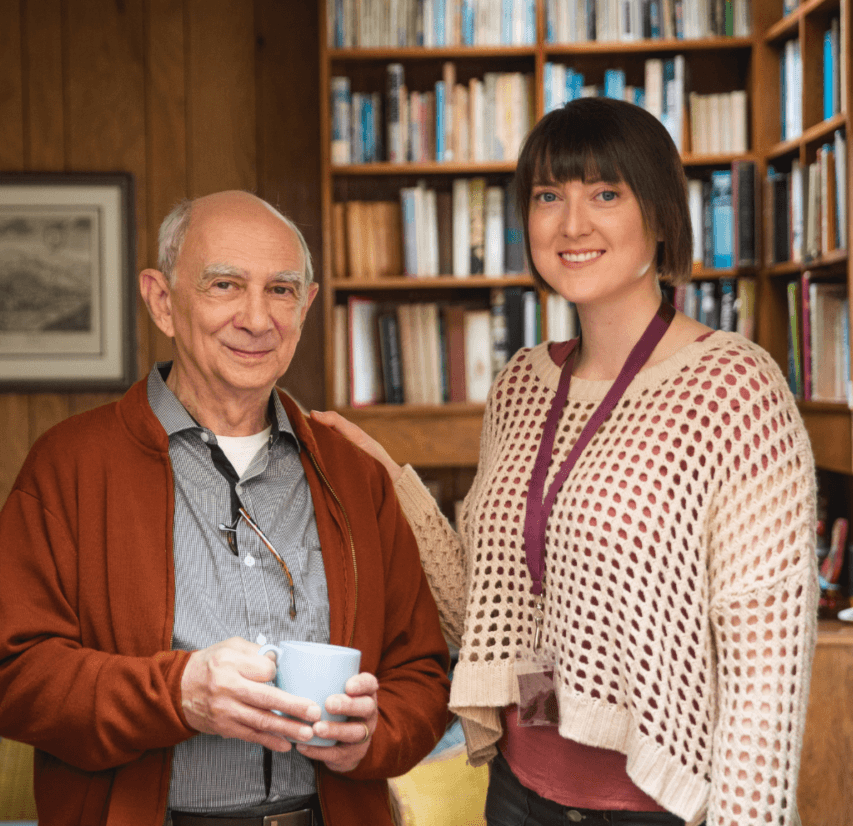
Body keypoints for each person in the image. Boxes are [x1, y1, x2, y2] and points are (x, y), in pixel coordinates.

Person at [313, 97, 819, 826]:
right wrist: (386, 478)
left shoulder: (733, 389)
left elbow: (767, 677)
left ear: (661, 217)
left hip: (659, 809)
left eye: (605, 194)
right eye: (549, 196)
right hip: (518, 796)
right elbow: (486, 611)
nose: (572, 224)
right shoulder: (521, 384)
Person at [0, 190, 451, 826]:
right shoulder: (69, 466)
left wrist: (373, 735)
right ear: (162, 301)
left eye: (281, 290)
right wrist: (177, 695)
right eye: (225, 285)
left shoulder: (354, 475)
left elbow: (421, 673)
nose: (256, 318)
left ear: (306, 306)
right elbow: (14, 680)